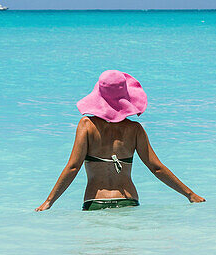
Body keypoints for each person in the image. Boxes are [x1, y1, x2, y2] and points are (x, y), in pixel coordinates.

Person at [35, 70, 205, 212]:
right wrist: (190, 194)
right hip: (128, 201)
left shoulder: (86, 125)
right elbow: (156, 168)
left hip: (95, 202)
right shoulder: (135, 129)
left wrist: (49, 201)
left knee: (94, 252)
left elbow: (73, 167)